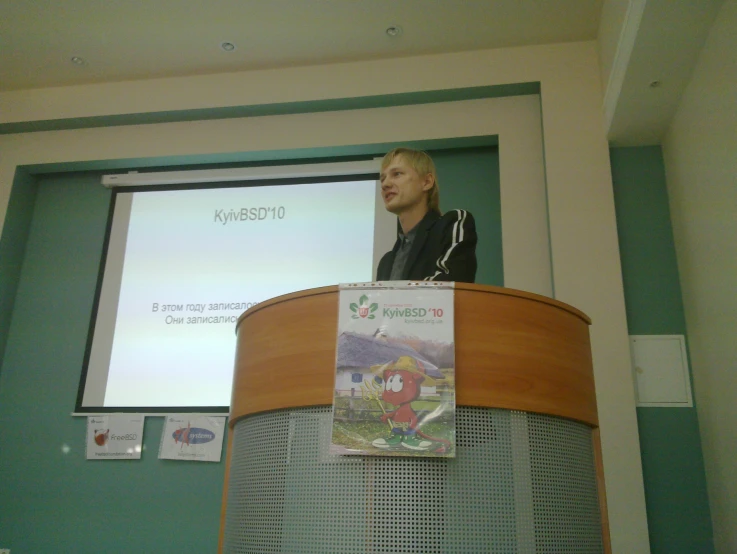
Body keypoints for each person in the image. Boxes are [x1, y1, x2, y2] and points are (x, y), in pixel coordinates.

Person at [376, 148, 477, 283]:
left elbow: (451, 286)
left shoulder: (452, 224)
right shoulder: (386, 262)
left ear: (427, 182)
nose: (385, 184)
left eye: (397, 174)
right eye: (383, 179)